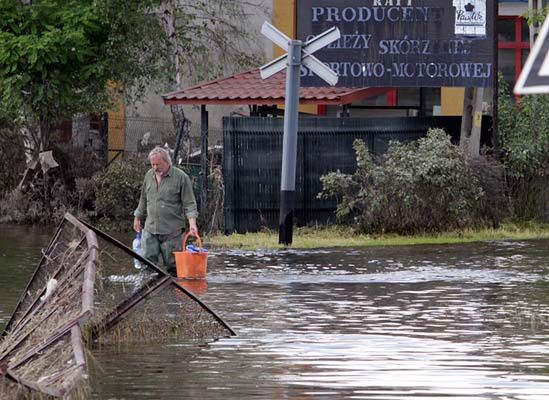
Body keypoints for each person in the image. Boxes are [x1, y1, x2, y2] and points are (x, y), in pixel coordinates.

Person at [133, 147, 198, 275]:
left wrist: (192, 225)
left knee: (174, 269)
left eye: (158, 164)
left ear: (167, 162)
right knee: (146, 266)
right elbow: (144, 199)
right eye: (152, 164)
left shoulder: (181, 178)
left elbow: (189, 204)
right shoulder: (149, 176)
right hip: (150, 229)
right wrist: (137, 216)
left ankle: (173, 294)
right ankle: (147, 292)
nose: (155, 167)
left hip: (172, 232)